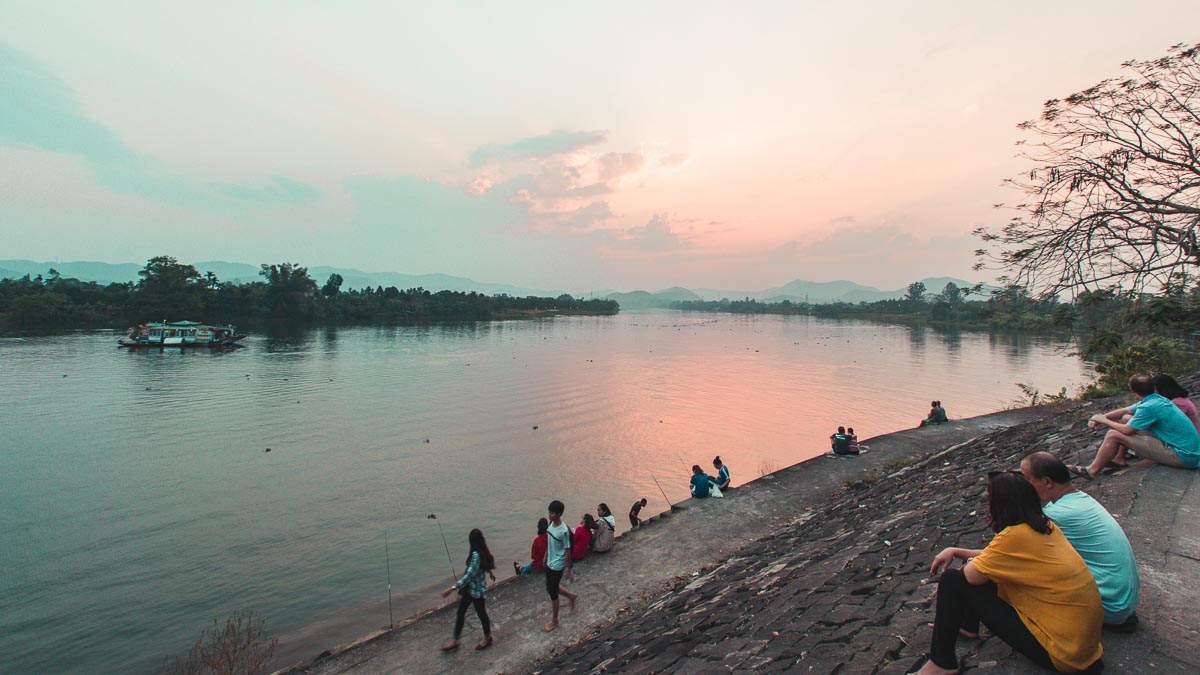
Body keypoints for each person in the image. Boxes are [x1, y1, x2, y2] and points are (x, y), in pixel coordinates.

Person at [914, 472, 1102, 674]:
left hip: (1062, 653)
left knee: (953, 580)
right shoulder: (1044, 526)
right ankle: (968, 627)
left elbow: (971, 576)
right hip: (1083, 649)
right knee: (985, 571)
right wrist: (958, 551)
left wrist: (964, 561)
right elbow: (994, 558)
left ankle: (941, 664)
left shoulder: (1013, 536)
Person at [1021, 451, 1140, 631]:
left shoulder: (1059, 514)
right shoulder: (1078, 500)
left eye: (1027, 479)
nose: (1024, 484)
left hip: (1111, 606)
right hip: (1122, 601)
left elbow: (1014, 553)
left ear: (1046, 482)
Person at [1070, 374, 1200, 479]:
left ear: (1132, 390)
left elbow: (1127, 430)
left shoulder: (1149, 406)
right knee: (1127, 419)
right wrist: (1098, 418)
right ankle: (1119, 458)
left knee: (1113, 435)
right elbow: (1126, 410)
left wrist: (1104, 421)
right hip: (1185, 450)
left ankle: (1092, 471)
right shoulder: (1157, 399)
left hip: (1184, 456)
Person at [439, 528, 496, 652]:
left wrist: (452, 588)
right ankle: (456, 641)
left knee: (481, 614)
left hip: (476, 592)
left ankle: (487, 637)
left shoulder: (476, 555)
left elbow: (469, 575)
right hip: (471, 590)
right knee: (461, 612)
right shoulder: (482, 552)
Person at [542, 500, 578, 632]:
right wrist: (545, 555)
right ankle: (571, 596)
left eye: (552, 513)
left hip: (558, 564)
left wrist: (569, 570)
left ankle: (555, 620)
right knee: (551, 586)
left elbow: (568, 551)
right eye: (549, 512)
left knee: (552, 592)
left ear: (559, 514)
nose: (550, 515)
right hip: (550, 560)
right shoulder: (551, 524)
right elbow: (549, 539)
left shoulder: (564, 531)